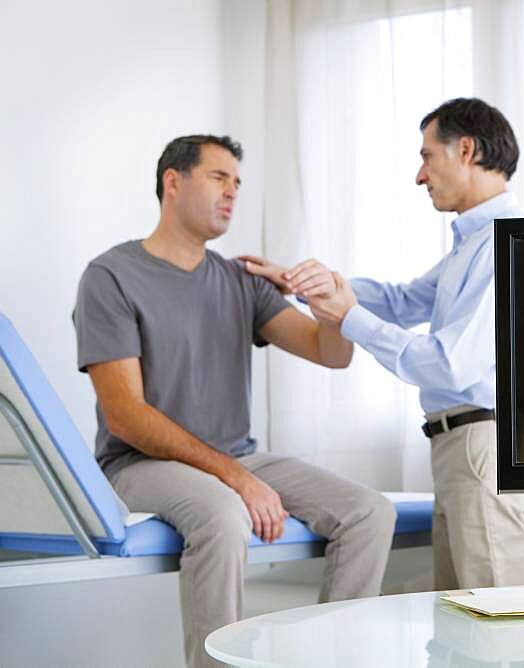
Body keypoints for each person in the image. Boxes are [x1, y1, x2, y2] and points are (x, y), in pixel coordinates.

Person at [73, 134, 396, 668]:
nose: (232, 193)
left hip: (236, 456)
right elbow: (124, 416)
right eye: (219, 178)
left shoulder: (241, 280)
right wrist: (238, 479)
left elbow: (330, 353)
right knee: (225, 516)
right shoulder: (111, 277)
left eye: (238, 184)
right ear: (172, 182)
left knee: (369, 513)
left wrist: (330, 306)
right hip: (139, 464)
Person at [243, 98, 524, 591]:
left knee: (502, 625)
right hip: (462, 446)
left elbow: (450, 366)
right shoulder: (475, 243)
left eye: (428, 156)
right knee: (468, 624)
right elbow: (404, 300)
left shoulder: (503, 243)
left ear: (465, 150)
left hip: (480, 443)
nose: (420, 176)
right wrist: (308, 281)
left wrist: (349, 318)